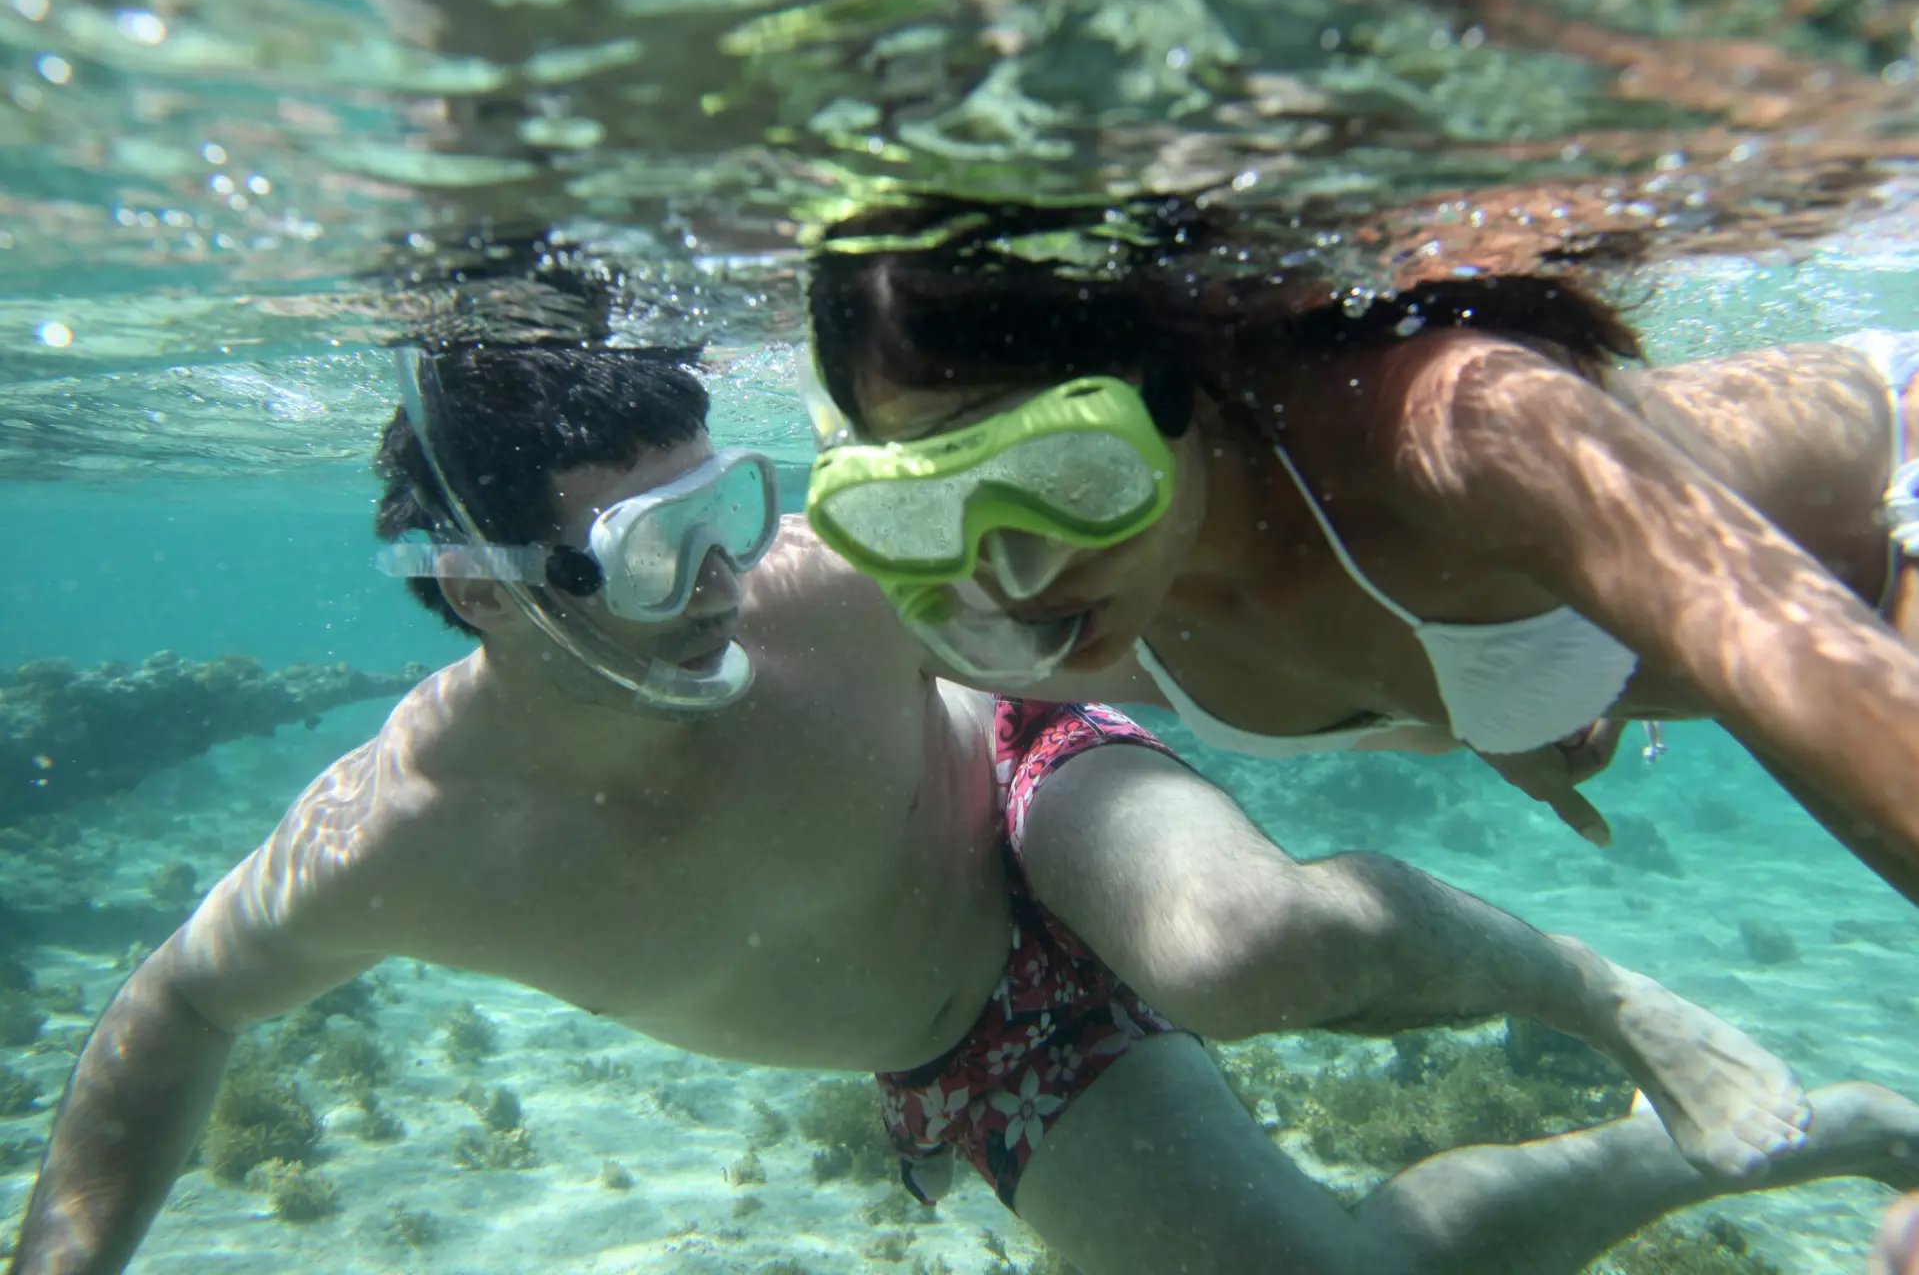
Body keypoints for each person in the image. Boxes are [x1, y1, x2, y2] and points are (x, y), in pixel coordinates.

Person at [12, 338, 1916, 1275]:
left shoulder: (823, 597)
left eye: (732, 511)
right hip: (957, 1043)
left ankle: (1596, 992)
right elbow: (173, 1008)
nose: (725, 589)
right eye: (656, 548)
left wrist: (1498, 683)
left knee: (1241, 942)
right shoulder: (398, 838)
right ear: (480, 579)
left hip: (1021, 796)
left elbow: (1196, 570)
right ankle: (1823, 1133)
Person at [802, 198, 1919, 906]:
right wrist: (1512, 712)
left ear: (1169, 375)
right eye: (930, 502)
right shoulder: (1105, 597)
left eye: (1056, 474)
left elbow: (1795, 651)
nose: (1004, 570)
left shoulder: (1457, 426)